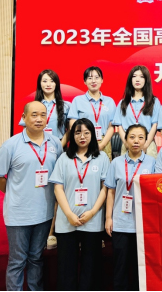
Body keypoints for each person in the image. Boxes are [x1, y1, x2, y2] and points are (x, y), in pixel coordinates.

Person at [0, 101, 63, 291]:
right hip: (19, 214)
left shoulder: (55, 143)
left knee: (36, 258)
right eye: (34, 115)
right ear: (23, 117)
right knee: (17, 260)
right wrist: (15, 192)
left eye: (43, 115)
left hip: (45, 213)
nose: (39, 119)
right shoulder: (11, 145)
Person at [49, 119, 109, 291]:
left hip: (92, 221)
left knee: (91, 269)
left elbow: (105, 188)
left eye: (86, 133)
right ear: (72, 136)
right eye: (77, 132)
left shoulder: (102, 158)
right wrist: (69, 214)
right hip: (67, 221)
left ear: (93, 135)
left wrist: (92, 212)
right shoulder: (64, 158)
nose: (82, 136)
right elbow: (58, 188)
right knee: (66, 270)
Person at [18, 69, 71, 250]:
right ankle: (34, 228)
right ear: (39, 84)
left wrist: (57, 146)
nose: (48, 84)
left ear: (57, 84)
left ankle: (51, 232)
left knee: (56, 190)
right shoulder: (33, 106)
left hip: (58, 151)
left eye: (52, 81)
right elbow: (25, 129)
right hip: (37, 153)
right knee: (39, 189)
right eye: (44, 81)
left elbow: (69, 130)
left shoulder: (66, 106)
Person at [105, 124, 156, 291]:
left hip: (143, 224)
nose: (136, 141)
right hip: (120, 223)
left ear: (146, 141)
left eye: (141, 137)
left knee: (139, 269)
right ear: (125, 140)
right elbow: (111, 192)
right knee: (120, 267)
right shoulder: (116, 163)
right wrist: (108, 218)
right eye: (132, 137)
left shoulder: (152, 163)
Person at [69, 66, 116, 160]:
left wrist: (102, 145)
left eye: (97, 77)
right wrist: (82, 138)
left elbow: (112, 126)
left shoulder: (109, 101)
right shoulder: (78, 100)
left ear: (102, 80)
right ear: (85, 81)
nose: (93, 81)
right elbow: (72, 124)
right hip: (83, 140)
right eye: (90, 78)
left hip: (104, 141)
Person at [113, 65, 160, 159]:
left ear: (146, 80)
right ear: (130, 80)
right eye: (134, 76)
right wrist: (126, 143)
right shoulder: (123, 103)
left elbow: (155, 125)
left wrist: (146, 144)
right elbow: (119, 126)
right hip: (128, 144)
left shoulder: (154, 101)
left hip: (148, 144)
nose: (137, 79)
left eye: (141, 76)